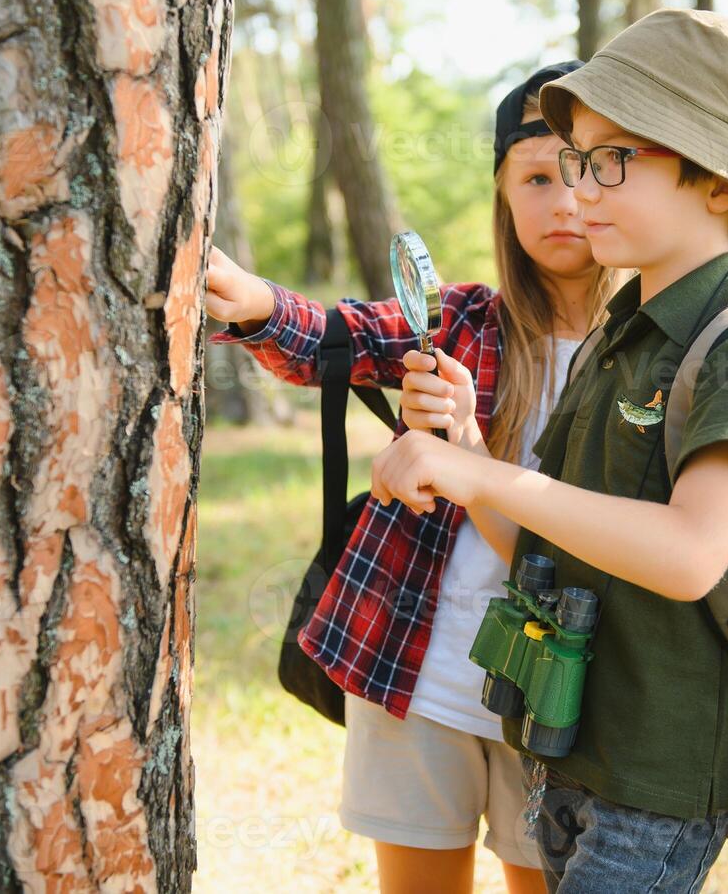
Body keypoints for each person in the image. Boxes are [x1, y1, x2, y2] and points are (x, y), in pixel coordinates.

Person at [368, 8, 728, 893]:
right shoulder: (624, 335)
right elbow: (544, 538)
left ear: (721, 181)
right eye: (573, 162)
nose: (579, 192)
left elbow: (690, 554)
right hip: (573, 747)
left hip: (656, 777)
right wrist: (460, 446)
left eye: (611, 161)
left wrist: (482, 471)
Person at [204, 61, 623, 894]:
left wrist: (466, 448)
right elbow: (332, 336)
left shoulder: (652, 356)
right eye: (535, 176)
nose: (563, 201)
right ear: (503, 196)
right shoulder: (463, 320)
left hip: (563, 700)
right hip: (413, 673)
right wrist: (250, 300)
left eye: (584, 172)